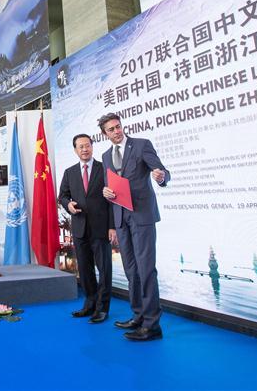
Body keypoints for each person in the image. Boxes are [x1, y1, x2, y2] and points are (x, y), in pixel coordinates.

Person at [99, 112, 170, 342]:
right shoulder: (106, 156)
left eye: (118, 126)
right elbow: (111, 187)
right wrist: (106, 192)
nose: (116, 131)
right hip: (121, 219)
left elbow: (162, 171)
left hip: (142, 216)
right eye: (111, 129)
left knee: (146, 270)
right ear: (105, 134)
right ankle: (138, 316)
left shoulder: (141, 145)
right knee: (131, 270)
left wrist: (160, 177)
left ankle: (152, 325)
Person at [58, 134, 113, 324]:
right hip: (80, 227)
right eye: (80, 147)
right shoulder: (69, 172)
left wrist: (112, 227)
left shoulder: (104, 169)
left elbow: (113, 200)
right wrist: (68, 205)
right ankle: (89, 304)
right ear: (75, 150)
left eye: (87, 145)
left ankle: (102, 308)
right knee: (85, 268)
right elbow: (62, 196)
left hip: (101, 228)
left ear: (92, 147)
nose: (84, 149)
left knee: (104, 269)